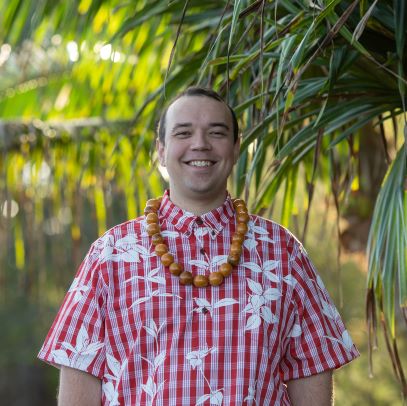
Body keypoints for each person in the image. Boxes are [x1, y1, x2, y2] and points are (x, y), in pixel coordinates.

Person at [38, 87, 359, 405]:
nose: (200, 144)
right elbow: (78, 384)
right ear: (161, 150)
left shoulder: (283, 253)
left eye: (216, 132)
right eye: (184, 132)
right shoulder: (110, 255)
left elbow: (313, 373)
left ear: (236, 148)